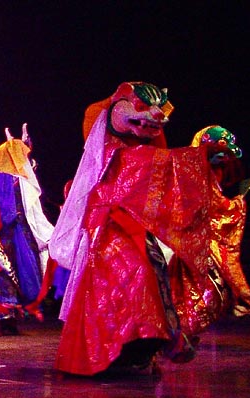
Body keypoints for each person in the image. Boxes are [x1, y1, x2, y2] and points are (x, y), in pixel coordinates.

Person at [49, 81, 212, 376]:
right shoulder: (110, 144)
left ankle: (143, 347)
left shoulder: (140, 151)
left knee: (150, 272)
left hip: (134, 223)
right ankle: (112, 352)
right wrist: (195, 161)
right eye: (142, 108)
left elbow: (156, 172)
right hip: (109, 224)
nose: (151, 118)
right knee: (133, 275)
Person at [0, 124, 54, 334]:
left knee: (24, 273)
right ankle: (5, 318)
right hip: (4, 233)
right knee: (3, 273)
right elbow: (1, 208)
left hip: (20, 232)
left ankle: (16, 314)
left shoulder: (20, 176)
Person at [170, 125, 250, 335]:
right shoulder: (191, 171)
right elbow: (212, 206)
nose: (224, 159)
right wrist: (238, 204)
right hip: (184, 238)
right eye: (219, 154)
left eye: (226, 156)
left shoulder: (212, 172)